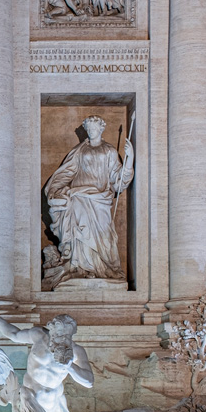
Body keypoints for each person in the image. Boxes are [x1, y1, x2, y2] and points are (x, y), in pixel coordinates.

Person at [43, 115, 133, 288]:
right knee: (80, 233)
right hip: (79, 197)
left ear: (101, 129)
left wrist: (130, 159)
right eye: (89, 129)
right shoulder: (80, 150)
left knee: (104, 236)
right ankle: (80, 268)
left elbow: (119, 180)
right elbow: (67, 172)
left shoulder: (109, 151)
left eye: (94, 129)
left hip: (101, 200)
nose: (91, 132)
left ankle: (103, 269)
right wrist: (56, 190)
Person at [0, 310, 93, 412]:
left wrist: (69, 366)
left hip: (50, 402)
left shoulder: (76, 351)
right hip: (27, 396)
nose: (62, 339)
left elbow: (89, 382)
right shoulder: (38, 335)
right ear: (51, 329)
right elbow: (14, 334)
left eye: (66, 337)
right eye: (58, 335)